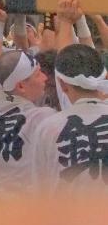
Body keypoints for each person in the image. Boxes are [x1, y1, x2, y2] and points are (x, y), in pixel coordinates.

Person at [0, 2, 53, 191]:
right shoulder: (40, 118)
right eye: (38, 74)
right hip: (23, 211)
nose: (45, 78)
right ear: (21, 86)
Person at [32, 43, 108, 189]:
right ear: (103, 76)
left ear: (62, 84)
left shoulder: (48, 128)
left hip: (65, 211)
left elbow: (40, 189)